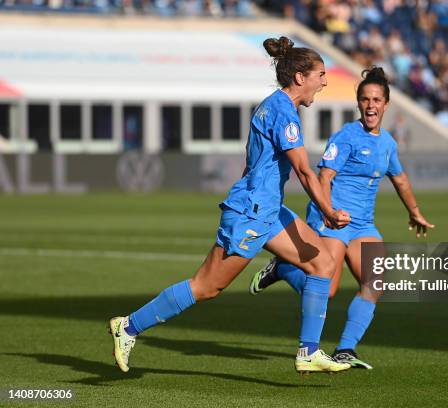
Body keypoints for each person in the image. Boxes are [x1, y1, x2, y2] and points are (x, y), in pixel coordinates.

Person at [108, 36, 353, 374]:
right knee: (207, 287)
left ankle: (308, 352)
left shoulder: (273, 105)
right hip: (252, 211)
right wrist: (328, 211)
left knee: (322, 264)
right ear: (300, 77)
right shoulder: (284, 113)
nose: (325, 82)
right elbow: (304, 172)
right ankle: (129, 326)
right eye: (321, 75)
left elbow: (254, 162)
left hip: (267, 209)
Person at [249, 67, 434, 369]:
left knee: (375, 283)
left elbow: (399, 179)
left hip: (362, 224)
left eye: (376, 100)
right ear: (359, 103)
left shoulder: (387, 143)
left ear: (386, 104)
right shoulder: (346, 136)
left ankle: (346, 349)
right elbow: (325, 175)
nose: (370, 105)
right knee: (329, 288)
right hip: (332, 219)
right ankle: (283, 269)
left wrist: (414, 212)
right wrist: (327, 212)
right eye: (365, 99)